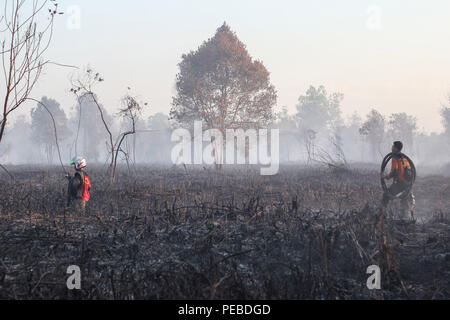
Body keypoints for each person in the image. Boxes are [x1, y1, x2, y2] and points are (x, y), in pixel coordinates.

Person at [380, 141, 415, 219]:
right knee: (405, 199)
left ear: (395, 148)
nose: (391, 147)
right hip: (407, 184)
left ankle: (382, 214)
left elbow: (394, 172)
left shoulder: (395, 158)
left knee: (386, 195)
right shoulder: (405, 158)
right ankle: (406, 217)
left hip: (399, 184)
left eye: (393, 146)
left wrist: (385, 177)